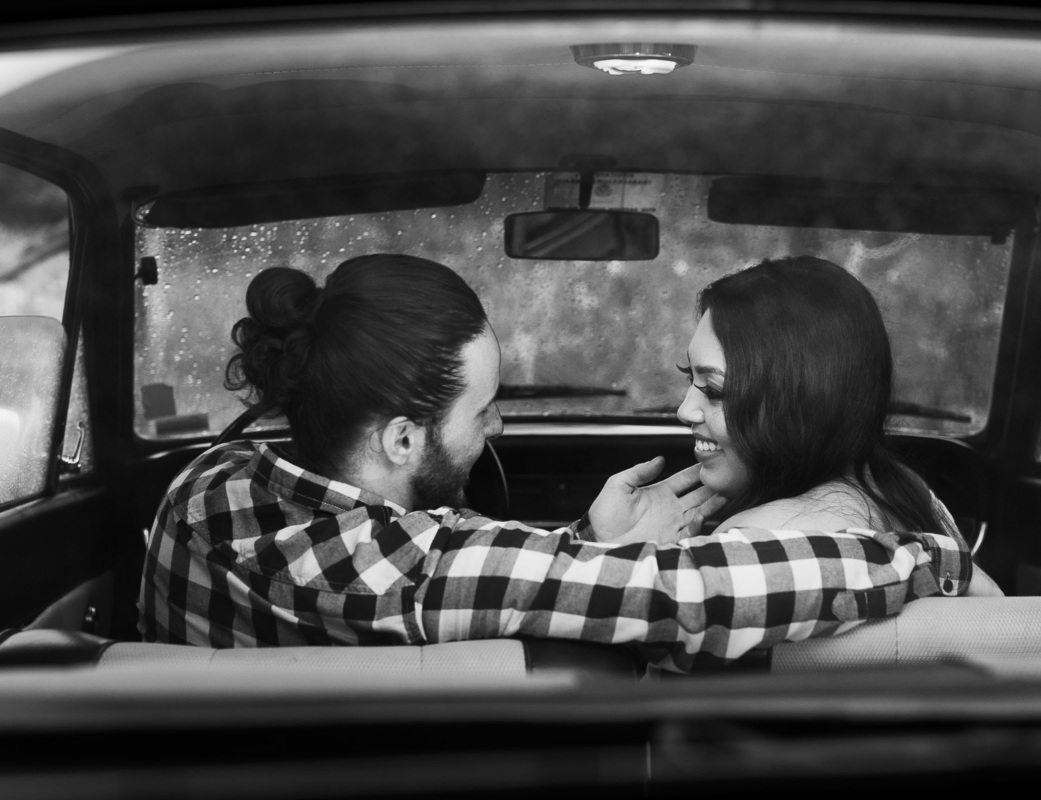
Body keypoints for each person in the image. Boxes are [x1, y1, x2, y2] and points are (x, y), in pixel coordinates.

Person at [139, 253, 974, 672]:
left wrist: (587, 536)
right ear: (401, 439)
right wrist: (935, 555)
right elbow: (684, 596)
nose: (501, 426)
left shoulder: (203, 485)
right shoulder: (387, 567)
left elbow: (473, 569)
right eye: (485, 409)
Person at [676, 255, 1003, 596]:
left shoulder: (750, 545)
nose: (685, 411)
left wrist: (629, 545)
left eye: (714, 391)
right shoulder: (908, 492)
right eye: (689, 378)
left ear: (800, 401)